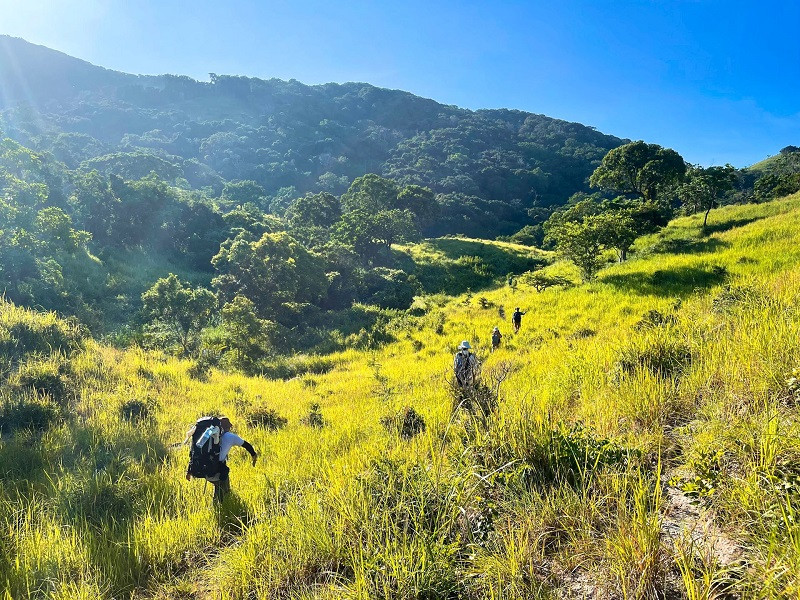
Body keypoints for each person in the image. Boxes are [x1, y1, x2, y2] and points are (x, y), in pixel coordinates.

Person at [186, 416, 257, 502]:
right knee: (222, 488)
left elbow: (194, 451)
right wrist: (254, 455)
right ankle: (219, 506)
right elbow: (247, 445)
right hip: (214, 469)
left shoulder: (207, 435)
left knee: (219, 481)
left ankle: (220, 501)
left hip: (201, 468)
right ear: (227, 427)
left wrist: (189, 471)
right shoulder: (230, 437)